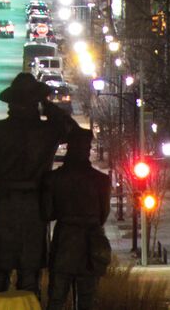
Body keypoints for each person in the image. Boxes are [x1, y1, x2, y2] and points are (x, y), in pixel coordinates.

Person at [0, 71, 71, 294]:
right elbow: (76, 134)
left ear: (11, 103)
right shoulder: (48, 131)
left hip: (4, 205)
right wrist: (49, 107)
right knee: (30, 276)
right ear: (36, 102)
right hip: (35, 208)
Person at [43, 124, 114, 310]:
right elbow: (103, 214)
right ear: (87, 150)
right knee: (87, 300)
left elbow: (47, 214)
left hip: (64, 242)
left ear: (69, 149)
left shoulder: (53, 179)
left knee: (56, 298)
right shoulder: (101, 180)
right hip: (91, 245)